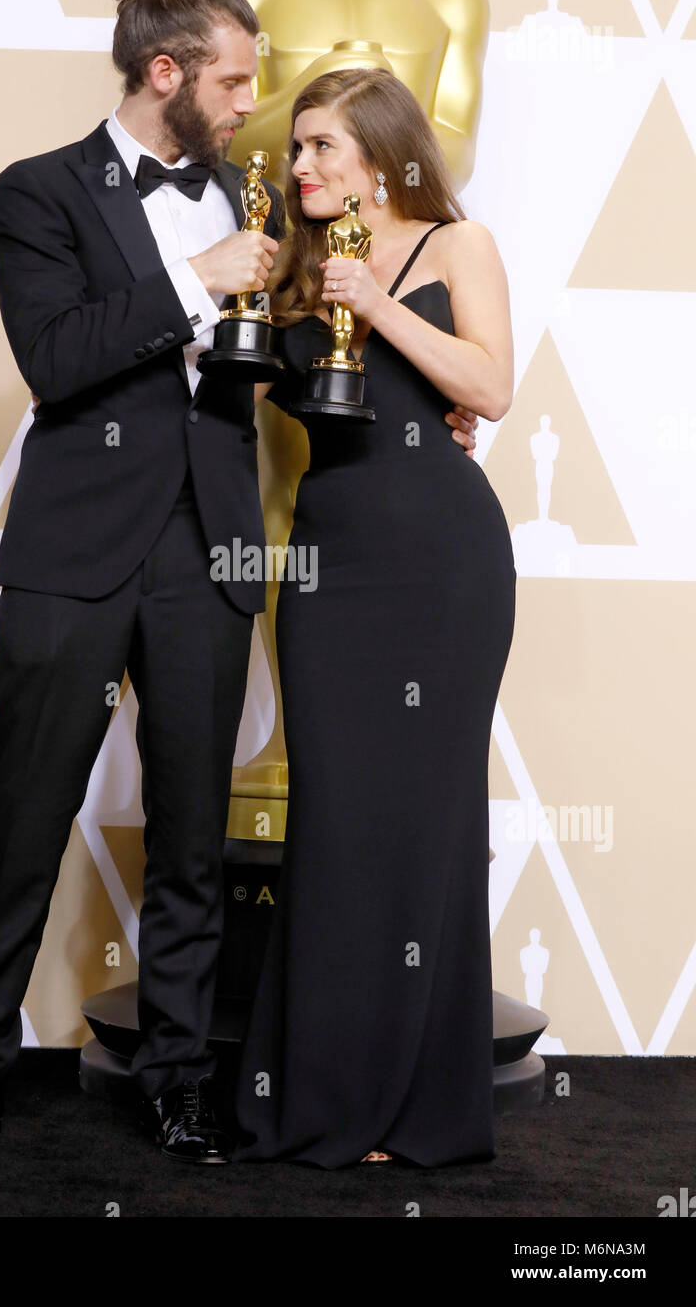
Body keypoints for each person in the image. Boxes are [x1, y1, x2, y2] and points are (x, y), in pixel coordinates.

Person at [0, 0, 478, 1168]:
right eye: (234, 79)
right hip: (74, 551)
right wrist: (191, 283)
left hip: (210, 550)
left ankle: (180, 1080)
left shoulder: (259, 203)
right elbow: (54, 358)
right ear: (165, 74)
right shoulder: (39, 191)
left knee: (192, 834)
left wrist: (426, 407)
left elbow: (323, 347)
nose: (252, 101)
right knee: (26, 817)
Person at [233, 67, 516, 1169]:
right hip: (327, 569)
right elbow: (236, 400)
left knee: (427, 822)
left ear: (383, 151)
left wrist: (379, 304)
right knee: (339, 823)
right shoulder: (291, 271)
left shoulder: (457, 245)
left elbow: (489, 391)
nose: (300, 165)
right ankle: (326, 1097)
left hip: (443, 569)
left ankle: (419, 1109)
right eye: (295, 148)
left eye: (321, 148)